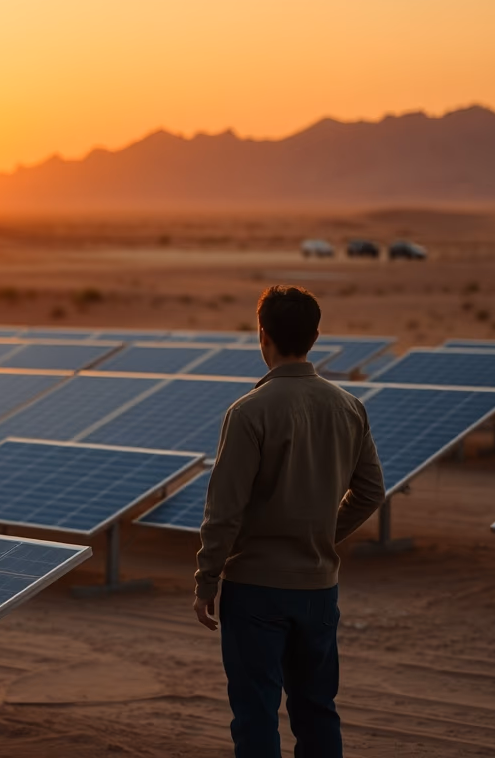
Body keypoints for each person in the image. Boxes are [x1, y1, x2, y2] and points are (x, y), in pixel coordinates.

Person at [191, 285, 385, 758]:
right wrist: (319, 534)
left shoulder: (248, 412)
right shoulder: (348, 407)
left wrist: (206, 578)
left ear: (263, 337)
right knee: (318, 708)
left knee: (256, 713)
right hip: (319, 589)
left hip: (254, 589)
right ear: (315, 337)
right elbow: (370, 492)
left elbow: (224, 510)